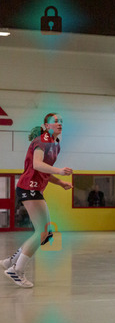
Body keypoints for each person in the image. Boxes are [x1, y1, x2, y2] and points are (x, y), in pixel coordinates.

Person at [2, 113, 73, 288]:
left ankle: (11, 261)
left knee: (45, 232)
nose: (59, 123)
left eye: (61, 121)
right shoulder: (43, 140)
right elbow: (37, 164)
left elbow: (44, 171)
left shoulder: (55, 145)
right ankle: (16, 270)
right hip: (29, 188)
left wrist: (60, 182)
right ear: (46, 126)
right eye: (55, 121)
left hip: (35, 189)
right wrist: (59, 171)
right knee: (44, 232)